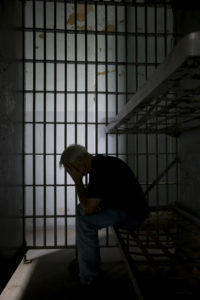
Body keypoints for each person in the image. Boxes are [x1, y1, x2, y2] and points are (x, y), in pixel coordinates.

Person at [60, 144, 149, 287]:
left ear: (79, 159)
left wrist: (77, 181)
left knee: (86, 222)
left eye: (71, 168)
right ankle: (84, 260)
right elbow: (86, 203)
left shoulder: (100, 169)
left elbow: (89, 209)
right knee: (80, 209)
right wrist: (80, 182)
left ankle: (90, 279)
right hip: (125, 208)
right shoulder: (100, 164)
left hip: (132, 215)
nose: (73, 172)